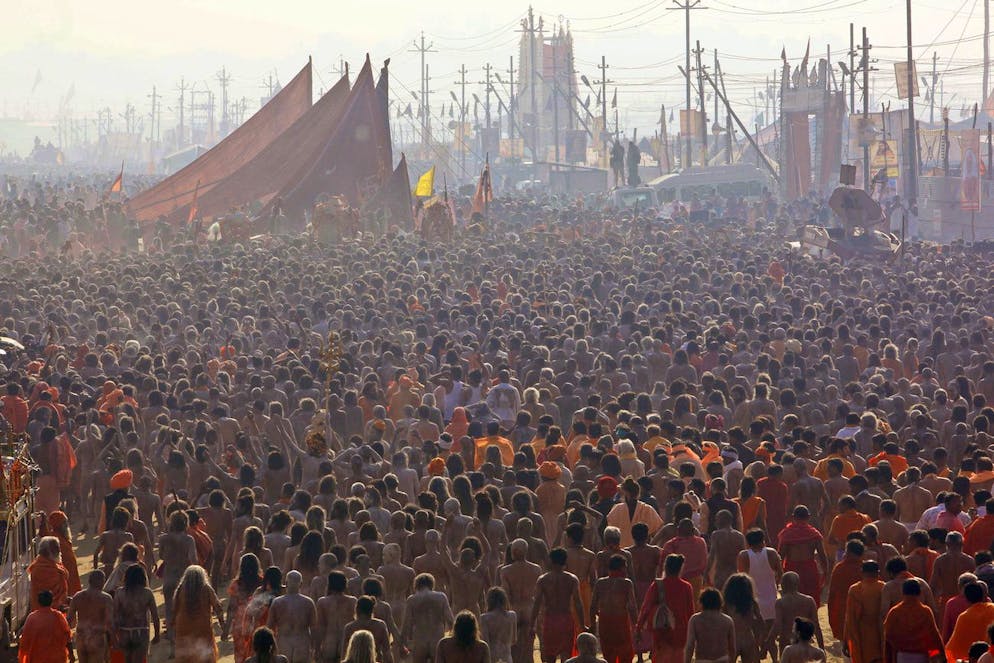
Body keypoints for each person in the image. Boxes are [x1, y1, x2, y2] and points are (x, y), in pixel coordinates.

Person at [636, 554, 694, 663]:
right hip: (681, 631)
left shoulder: (657, 585)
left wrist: (639, 628)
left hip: (661, 631)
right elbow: (690, 612)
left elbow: (646, 608)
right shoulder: (686, 587)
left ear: (665, 567)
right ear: (680, 569)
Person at [532, 547, 585, 663]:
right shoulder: (572, 579)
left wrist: (532, 625)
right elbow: (578, 603)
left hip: (550, 620)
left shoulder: (543, 579)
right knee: (566, 655)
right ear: (565, 561)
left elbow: (536, 603)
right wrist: (582, 625)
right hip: (566, 619)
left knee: (550, 655)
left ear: (550, 561)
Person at [590, 554, 637, 663]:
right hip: (621, 621)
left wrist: (593, 625)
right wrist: (636, 626)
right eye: (625, 567)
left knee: (608, 653)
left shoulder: (600, 583)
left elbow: (593, 607)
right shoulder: (626, 583)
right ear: (621, 568)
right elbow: (632, 607)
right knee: (625, 653)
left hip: (604, 621)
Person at [777, 506, 827, 607]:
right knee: (811, 603)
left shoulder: (787, 533)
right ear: (808, 517)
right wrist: (825, 575)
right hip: (810, 570)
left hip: (792, 570)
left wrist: (779, 576)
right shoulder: (814, 534)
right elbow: (822, 556)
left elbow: (780, 557)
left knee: (792, 604)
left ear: (793, 517)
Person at [173, 564, 225, 663]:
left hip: (183, 629)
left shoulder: (180, 589)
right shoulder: (206, 588)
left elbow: (174, 608)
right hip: (202, 629)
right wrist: (223, 625)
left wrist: (174, 625)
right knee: (204, 657)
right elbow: (218, 607)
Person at [883, 580, 943, 663]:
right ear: (919, 592)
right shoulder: (925, 611)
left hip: (902, 655)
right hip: (921, 656)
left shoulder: (895, 612)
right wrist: (942, 655)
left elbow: (888, 636)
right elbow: (934, 636)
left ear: (903, 592)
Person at [113, 564, 160, 663]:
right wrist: (157, 634)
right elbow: (155, 616)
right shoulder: (147, 593)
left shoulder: (119, 592)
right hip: (141, 633)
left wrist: (114, 637)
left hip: (124, 632)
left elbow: (115, 616)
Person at [267, 570, 316, 663]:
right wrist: (315, 648)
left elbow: (269, 628)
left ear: (285, 583)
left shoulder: (277, 602)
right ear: (301, 584)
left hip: (283, 645)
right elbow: (314, 629)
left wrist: (269, 648)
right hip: (302, 646)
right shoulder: (308, 602)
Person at [404, 573, 455, 663]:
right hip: (437, 639)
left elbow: (407, 624)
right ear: (432, 584)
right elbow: (450, 620)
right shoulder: (441, 597)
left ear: (417, 585)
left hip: (420, 639)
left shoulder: (412, 599)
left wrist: (402, 643)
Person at [843, 561, 885, 663]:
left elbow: (849, 618)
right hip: (880, 633)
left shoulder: (855, 589)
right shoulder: (884, 587)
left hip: (860, 635)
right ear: (877, 573)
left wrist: (846, 641)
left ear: (862, 573)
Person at [68, 570, 114, 663]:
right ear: (102, 581)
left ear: (89, 581)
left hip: (81, 637)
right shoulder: (106, 598)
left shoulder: (77, 596)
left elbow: (69, 619)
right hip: (97, 637)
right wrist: (113, 641)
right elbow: (109, 622)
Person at [827, 539, 865, 644]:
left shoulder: (839, 568)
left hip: (843, 612)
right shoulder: (865, 568)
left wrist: (831, 615)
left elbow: (832, 594)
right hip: (863, 613)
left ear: (848, 552)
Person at [944, 582, 994, 662]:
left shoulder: (964, 617)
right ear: (983, 595)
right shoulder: (992, 609)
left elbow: (952, 646)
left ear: (966, 599)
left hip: (967, 658)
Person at [19, 590, 73, 663]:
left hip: (37, 659)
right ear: (51, 601)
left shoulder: (31, 618)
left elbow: (25, 640)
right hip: (56, 659)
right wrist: (71, 655)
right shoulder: (58, 616)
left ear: (38, 602)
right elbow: (67, 636)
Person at [684, 588, 736, 663]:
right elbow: (732, 648)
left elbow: (690, 646)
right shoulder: (727, 620)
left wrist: (687, 661)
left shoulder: (695, 620)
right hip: (722, 660)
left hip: (702, 660)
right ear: (720, 602)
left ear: (702, 602)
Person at [28, 535, 69, 611]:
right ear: (50, 552)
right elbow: (48, 599)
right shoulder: (41, 569)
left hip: (42, 613)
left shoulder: (51, 565)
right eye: (57, 549)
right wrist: (60, 607)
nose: (60, 552)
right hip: (45, 613)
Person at [478, 587, 516, 663]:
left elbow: (485, 642)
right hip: (507, 658)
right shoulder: (512, 615)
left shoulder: (484, 618)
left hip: (492, 658)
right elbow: (514, 640)